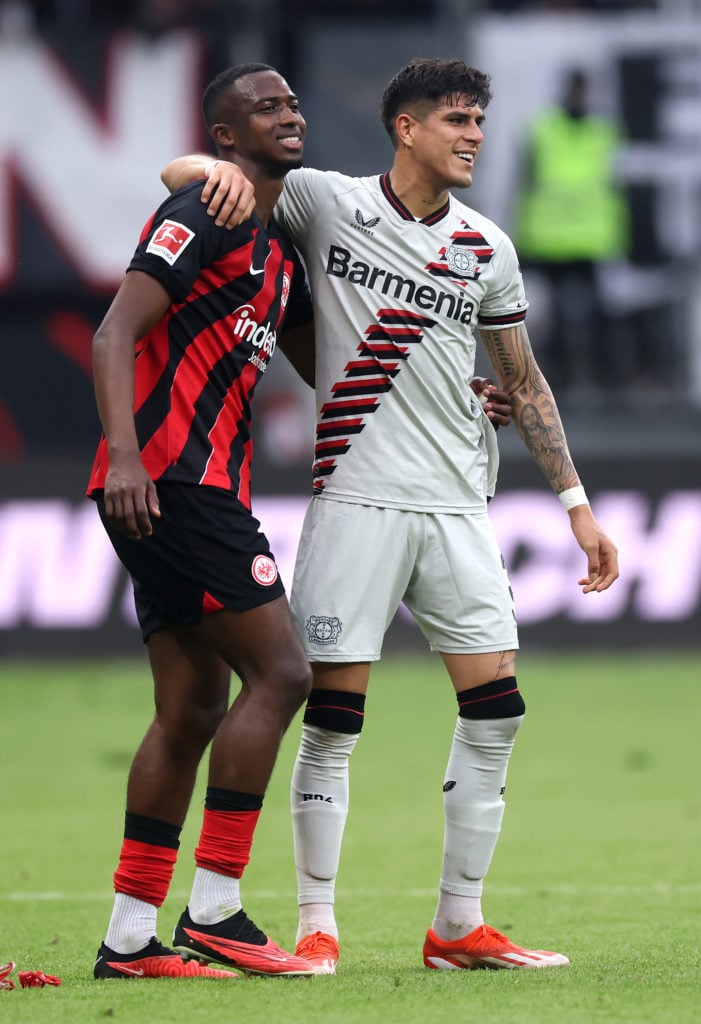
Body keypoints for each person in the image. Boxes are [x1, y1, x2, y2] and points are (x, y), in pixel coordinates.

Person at [161, 56, 619, 975]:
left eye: (478, 122)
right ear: (404, 129)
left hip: (457, 504)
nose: (473, 136)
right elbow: (197, 179)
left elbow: (521, 382)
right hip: (357, 499)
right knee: (333, 721)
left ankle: (457, 927)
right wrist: (192, 173)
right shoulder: (326, 203)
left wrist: (575, 505)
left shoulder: (487, 245)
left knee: (496, 710)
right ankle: (317, 924)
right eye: (455, 120)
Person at [87, 63, 319, 980]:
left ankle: (130, 940)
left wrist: (462, 394)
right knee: (284, 671)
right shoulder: (202, 214)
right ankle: (217, 911)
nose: (289, 114)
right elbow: (114, 331)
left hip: (194, 486)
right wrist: (130, 459)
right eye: (265, 107)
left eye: (292, 102)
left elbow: (329, 371)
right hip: (171, 482)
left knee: (189, 708)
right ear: (225, 136)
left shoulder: (278, 262)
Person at [513, 67, 630, 397]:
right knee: (554, 319)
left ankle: (596, 380)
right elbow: (524, 186)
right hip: (548, 240)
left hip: (589, 240)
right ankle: (560, 380)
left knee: (594, 316)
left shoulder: (602, 132)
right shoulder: (543, 129)